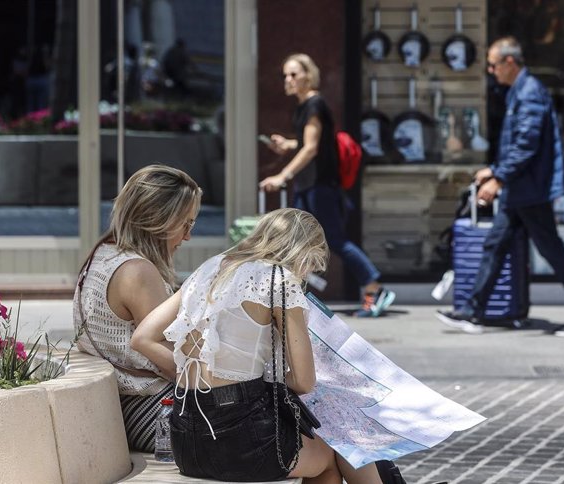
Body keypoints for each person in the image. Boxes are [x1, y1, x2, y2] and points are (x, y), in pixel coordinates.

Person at [131, 208, 411, 483]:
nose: (307, 273)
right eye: (310, 263)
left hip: (187, 439)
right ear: (302, 252)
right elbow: (303, 381)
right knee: (334, 455)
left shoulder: (209, 268)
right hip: (245, 441)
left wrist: (192, 376)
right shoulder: (279, 279)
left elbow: (143, 337)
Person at [436, 37, 564, 337]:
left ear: (510, 62)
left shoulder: (529, 93)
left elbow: (526, 145)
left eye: (493, 64)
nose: (490, 70)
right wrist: (495, 170)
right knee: (495, 246)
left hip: (530, 189)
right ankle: (473, 313)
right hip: (521, 188)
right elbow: (518, 143)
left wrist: (498, 177)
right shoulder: (520, 91)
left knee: (550, 249)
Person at [73, 164, 202, 452]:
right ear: (159, 220)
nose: (188, 237)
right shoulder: (138, 272)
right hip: (152, 408)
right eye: (186, 224)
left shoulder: (103, 253)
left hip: (123, 404)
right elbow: (176, 363)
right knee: (301, 438)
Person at [259, 53, 395, 318]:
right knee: (296, 238)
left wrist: (282, 176)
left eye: (294, 74)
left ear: (308, 76)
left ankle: (374, 287)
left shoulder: (314, 105)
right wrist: (286, 145)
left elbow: (311, 149)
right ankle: (290, 294)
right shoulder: (303, 106)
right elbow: (311, 144)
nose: (288, 79)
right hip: (308, 185)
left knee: (335, 240)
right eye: (285, 75)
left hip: (321, 186)